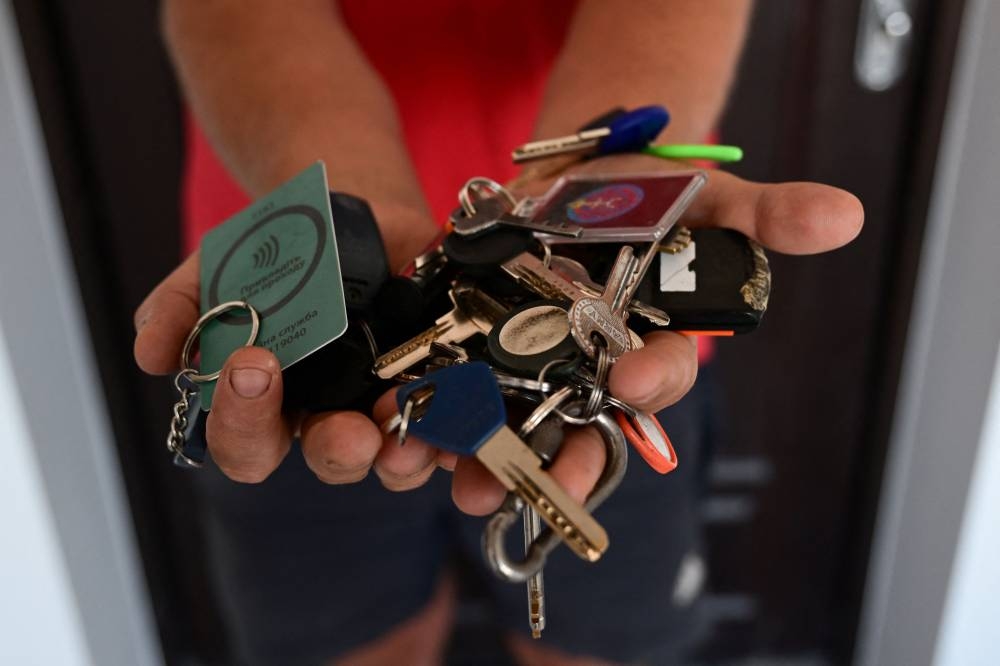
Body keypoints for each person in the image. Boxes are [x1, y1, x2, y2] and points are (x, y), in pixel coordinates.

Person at [133, 2, 863, 664]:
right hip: (295, 289)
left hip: (614, 280)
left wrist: (599, 170)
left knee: (596, 651)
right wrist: (344, 205)